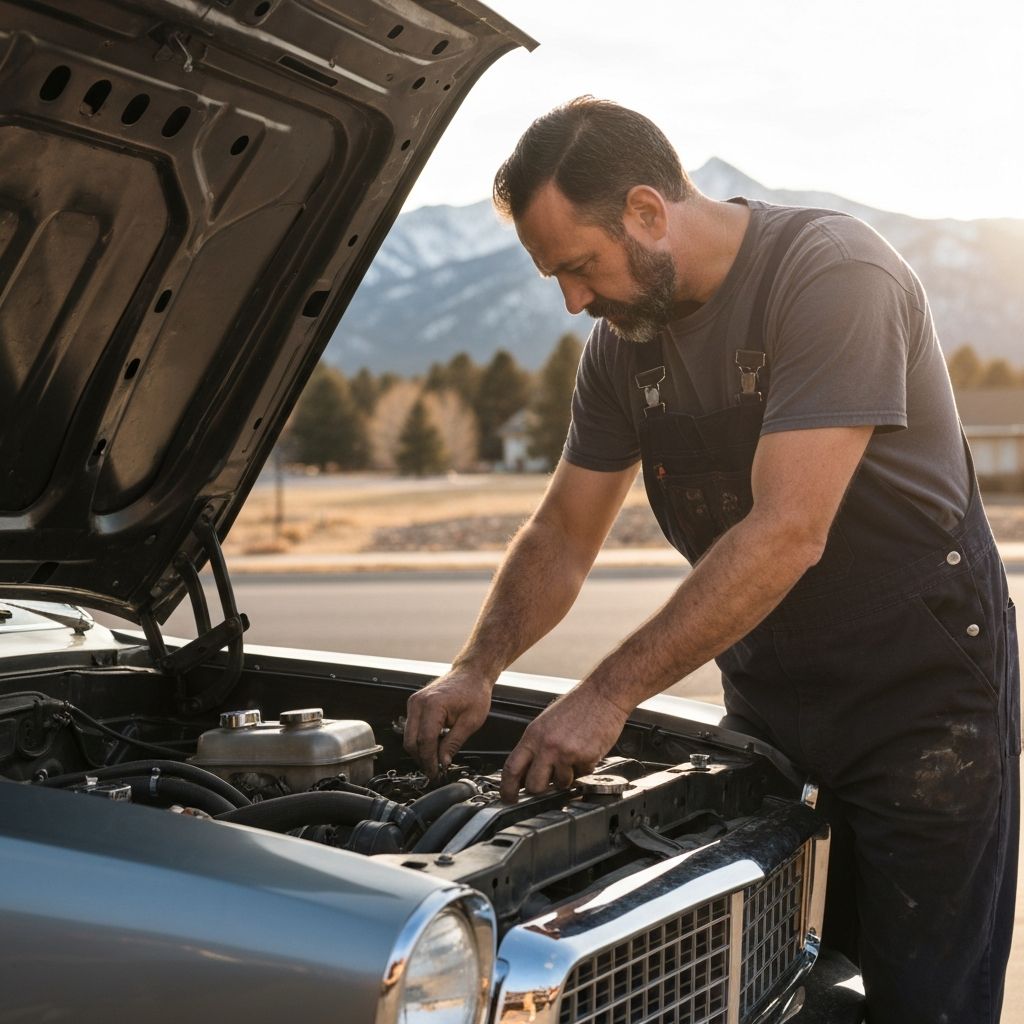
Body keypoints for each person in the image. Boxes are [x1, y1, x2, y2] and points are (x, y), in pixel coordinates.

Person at [402, 97, 1019, 1023]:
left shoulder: (831, 275)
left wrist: (608, 692)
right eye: (554, 279)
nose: (573, 301)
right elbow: (564, 532)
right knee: (766, 985)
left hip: (922, 702)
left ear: (648, 212)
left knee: (922, 1000)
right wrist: (476, 666)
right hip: (771, 699)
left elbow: (787, 531)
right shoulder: (622, 348)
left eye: (580, 266)